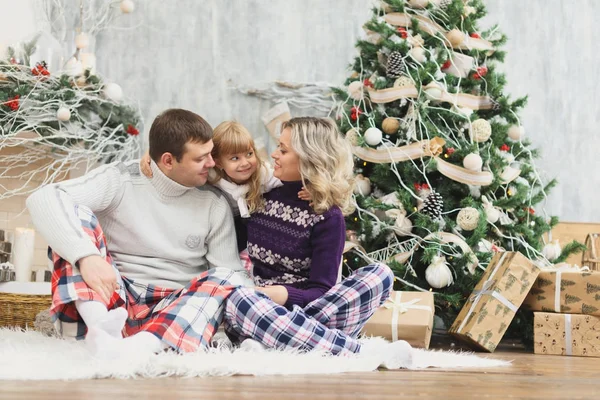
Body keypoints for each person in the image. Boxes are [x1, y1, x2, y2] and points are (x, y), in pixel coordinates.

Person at [26, 108, 253, 358]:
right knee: (74, 216)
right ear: (167, 161)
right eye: (201, 158)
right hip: (114, 299)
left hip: (175, 310)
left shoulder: (214, 202)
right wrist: (86, 257)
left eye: (210, 154)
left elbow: (229, 275)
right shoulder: (121, 179)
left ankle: (139, 346)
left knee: (227, 277)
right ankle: (101, 328)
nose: (211, 163)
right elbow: (44, 198)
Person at [222, 117, 412, 368]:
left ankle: (277, 342)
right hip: (262, 307)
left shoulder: (327, 216)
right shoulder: (258, 194)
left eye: (283, 149)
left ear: (308, 158)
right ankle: (362, 353)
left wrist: (284, 294)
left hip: (308, 305)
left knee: (380, 274)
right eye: (278, 146)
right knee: (240, 302)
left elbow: (323, 291)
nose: (274, 154)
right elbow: (214, 171)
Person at [140, 120, 309, 252]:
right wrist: (151, 154)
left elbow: (290, 178)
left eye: (249, 154)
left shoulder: (262, 174)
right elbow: (182, 151)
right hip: (220, 224)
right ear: (218, 161)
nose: (245, 163)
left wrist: (312, 188)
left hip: (248, 226)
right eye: (235, 158)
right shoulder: (211, 174)